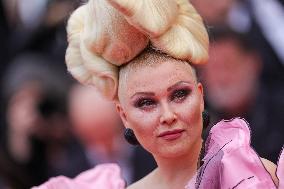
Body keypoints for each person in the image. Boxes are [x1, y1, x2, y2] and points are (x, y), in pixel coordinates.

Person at [33, 0, 283, 188]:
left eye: (179, 95)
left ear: (201, 96)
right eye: (146, 103)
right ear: (124, 116)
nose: (168, 115)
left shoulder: (251, 175)